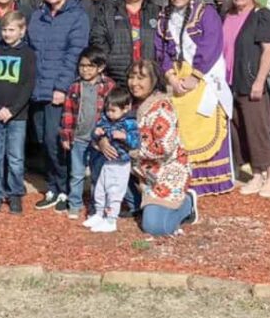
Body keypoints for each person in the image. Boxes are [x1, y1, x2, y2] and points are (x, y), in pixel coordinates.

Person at [157, 0, 235, 196]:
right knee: (182, 128)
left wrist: (194, 77)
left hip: (203, 76)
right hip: (177, 79)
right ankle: (185, 179)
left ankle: (212, 181)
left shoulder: (206, 12)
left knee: (205, 120)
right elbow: (161, 49)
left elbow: (211, 45)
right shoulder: (164, 17)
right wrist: (170, 75)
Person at [28, 0, 91, 212]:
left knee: (57, 141)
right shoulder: (38, 16)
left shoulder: (77, 16)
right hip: (38, 88)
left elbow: (74, 53)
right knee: (43, 140)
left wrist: (61, 87)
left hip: (59, 90)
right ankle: (53, 186)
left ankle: (65, 189)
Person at [116, 60, 199, 236]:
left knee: (155, 227)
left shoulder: (162, 107)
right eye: (131, 77)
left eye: (141, 78)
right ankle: (142, 203)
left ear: (154, 80)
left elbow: (164, 148)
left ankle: (187, 204)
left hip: (166, 173)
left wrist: (130, 148)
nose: (134, 83)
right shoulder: (130, 103)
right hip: (141, 173)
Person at [222, 0, 270, 198]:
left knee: (258, 130)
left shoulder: (261, 16)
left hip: (251, 83)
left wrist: (259, 80)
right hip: (230, 83)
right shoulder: (227, 16)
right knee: (242, 131)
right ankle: (256, 176)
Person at [0, 11, 37, 215]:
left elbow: (27, 85)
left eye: (11, 30)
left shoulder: (28, 54)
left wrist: (12, 110)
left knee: (15, 157)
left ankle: (15, 193)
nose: (7, 33)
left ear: (22, 31)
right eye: (4, 29)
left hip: (18, 116)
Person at [60, 47, 117, 220]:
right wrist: (66, 135)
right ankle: (75, 203)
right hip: (79, 137)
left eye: (90, 66)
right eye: (82, 65)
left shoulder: (109, 86)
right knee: (76, 173)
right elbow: (68, 112)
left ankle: (95, 206)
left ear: (100, 67)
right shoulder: (75, 86)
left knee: (97, 174)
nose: (85, 69)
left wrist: (107, 136)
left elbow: (112, 113)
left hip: (98, 140)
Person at [84, 89, 141, 233]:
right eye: (107, 110)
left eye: (113, 111)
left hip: (120, 164)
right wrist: (96, 134)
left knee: (114, 191)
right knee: (100, 188)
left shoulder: (129, 123)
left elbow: (136, 142)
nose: (109, 114)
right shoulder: (105, 119)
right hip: (105, 162)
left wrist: (124, 137)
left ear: (126, 108)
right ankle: (99, 213)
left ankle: (111, 220)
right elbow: (95, 133)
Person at [91, 0, 159, 85]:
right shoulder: (108, 10)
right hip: (117, 77)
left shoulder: (156, 12)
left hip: (149, 78)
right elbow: (97, 39)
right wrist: (110, 62)